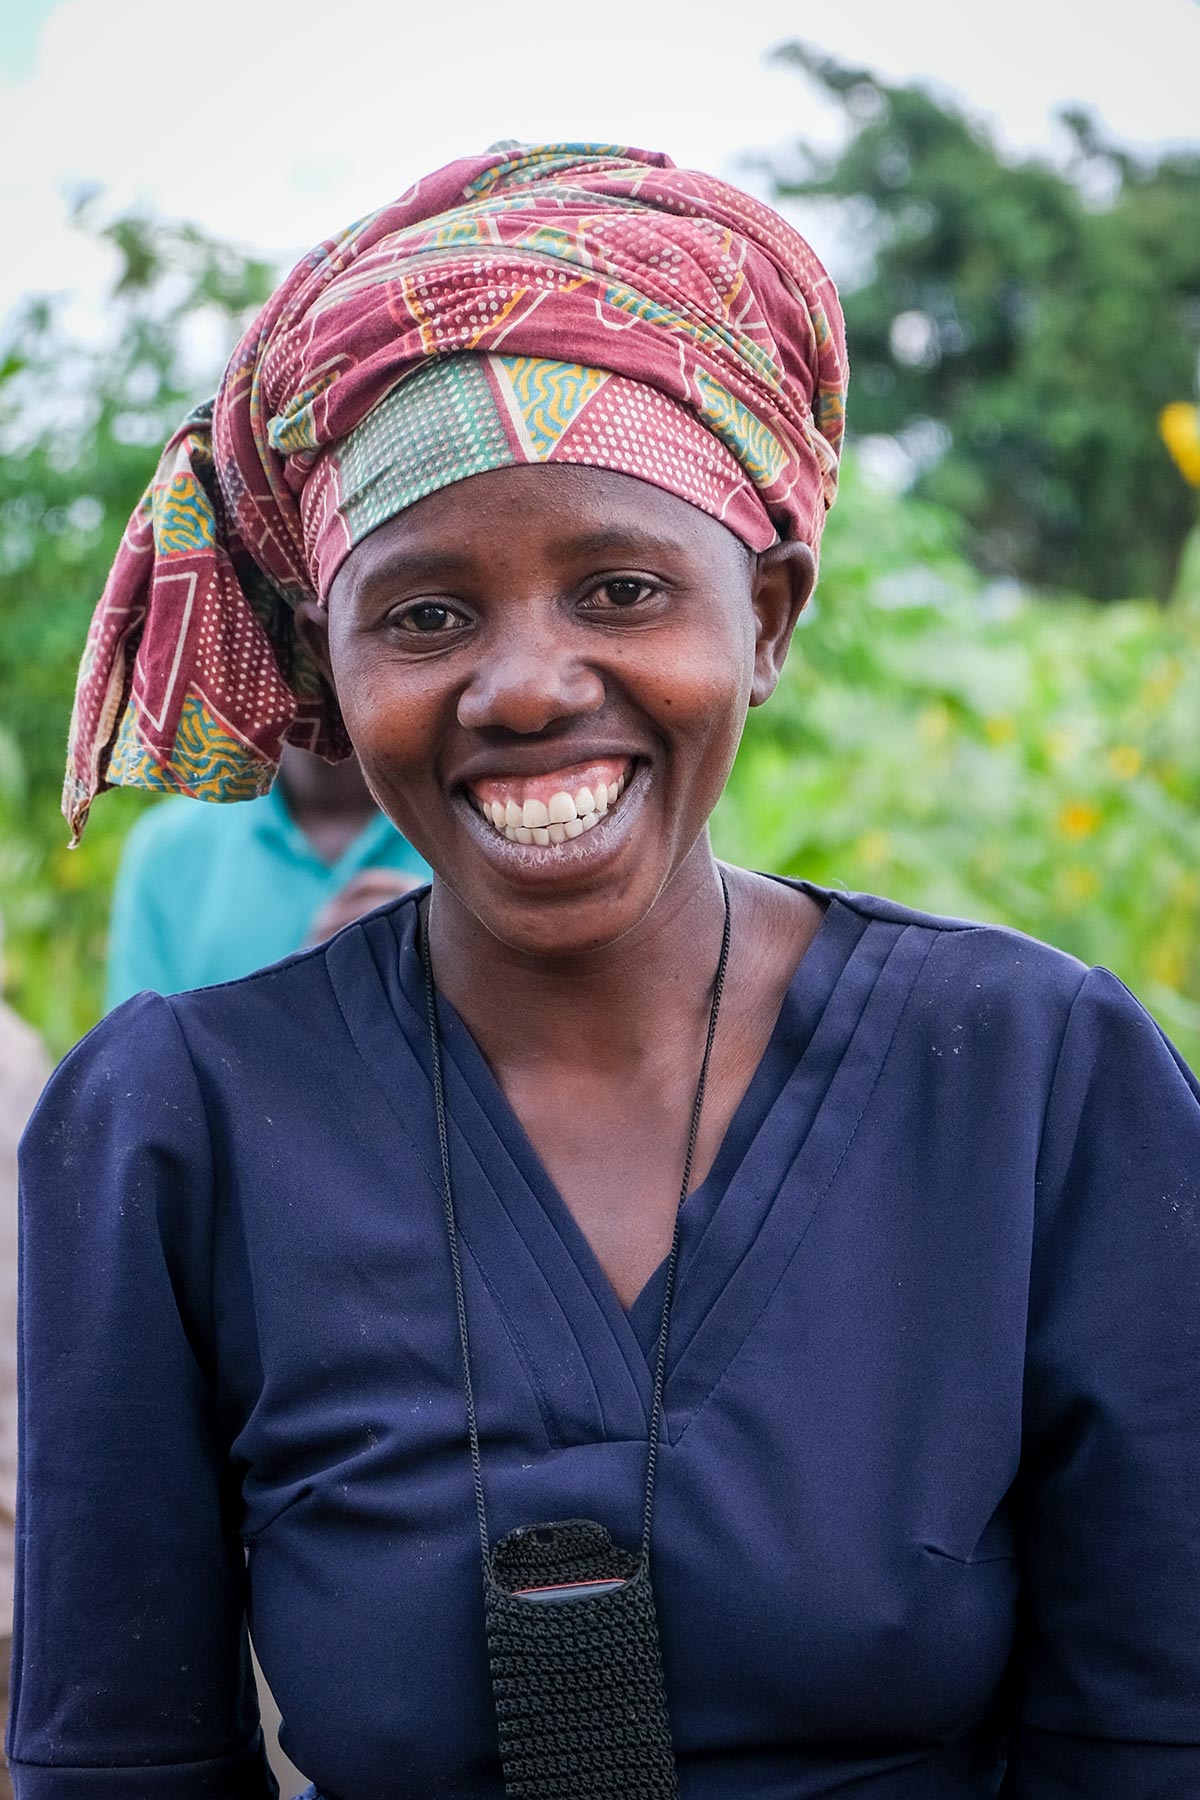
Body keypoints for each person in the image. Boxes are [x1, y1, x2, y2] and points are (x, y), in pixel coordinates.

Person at [12, 144, 1199, 1799]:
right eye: (424, 618)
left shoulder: (1032, 1082)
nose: (522, 685)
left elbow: (1152, 1735)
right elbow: (116, 1763)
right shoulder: (175, 1132)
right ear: (329, 669)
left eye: (621, 588)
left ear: (769, 619)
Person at [106, 743, 429, 1006]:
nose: (320, 678)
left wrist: (449, 938)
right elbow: (140, 1067)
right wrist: (296, 993)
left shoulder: (465, 827)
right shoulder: (169, 853)